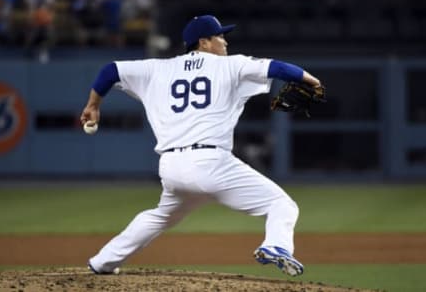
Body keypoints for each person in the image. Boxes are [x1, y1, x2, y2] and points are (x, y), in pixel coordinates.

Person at [80, 15, 322, 277]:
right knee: (281, 205)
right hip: (211, 163)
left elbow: (110, 71)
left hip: (171, 167)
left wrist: (93, 105)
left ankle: (102, 262)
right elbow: (278, 68)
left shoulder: (156, 69)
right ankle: (276, 246)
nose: (225, 41)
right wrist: (313, 81)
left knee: (161, 216)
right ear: (203, 42)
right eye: (219, 36)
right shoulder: (231, 65)